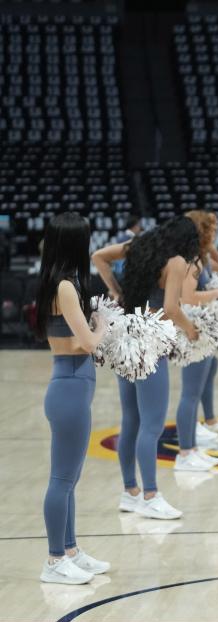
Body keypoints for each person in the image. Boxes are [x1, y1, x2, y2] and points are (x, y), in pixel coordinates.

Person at [92, 217, 201, 520]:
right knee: (152, 425)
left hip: (125, 336)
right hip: (150, 340)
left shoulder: (137, 246)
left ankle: (130, 492)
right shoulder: (177, 261)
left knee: (131, 420)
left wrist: (115, 292)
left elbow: (97, 257)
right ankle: (151, 495)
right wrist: (191, 330)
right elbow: (171, 308)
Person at [36, 213, 111, 584]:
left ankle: (70, 550)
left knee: (71, 477)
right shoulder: (65, 287)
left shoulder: (64, 283)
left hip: (74, 386)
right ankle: (53, 561)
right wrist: (104, 324)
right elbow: (88, 342)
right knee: (61, 479)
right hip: (68, 387)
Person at [172, 211, 218, 472]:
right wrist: (216, 293)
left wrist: (210, 245)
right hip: (193, 330)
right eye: (211, 228)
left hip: (202, 330)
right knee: (190, 394)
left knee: (195, 392)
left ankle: (192, 448)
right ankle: (185, 453)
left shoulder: (200, 257)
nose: (215, 231)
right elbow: (188, 298)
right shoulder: (191, 261)